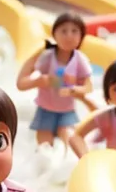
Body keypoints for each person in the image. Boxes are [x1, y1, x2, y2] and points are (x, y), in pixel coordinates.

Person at [16, 13, 94, 146]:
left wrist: (74, 90)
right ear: (54, 35)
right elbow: (21, 84)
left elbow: (88, 87)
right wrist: (38, 81)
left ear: (81, 37)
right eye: (64, 31)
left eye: (74, 31)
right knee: (44, 149)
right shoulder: (47, 57)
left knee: (70, 144)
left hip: (67, 112)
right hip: (45, 111)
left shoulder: (79, 60)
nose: (69, 36)